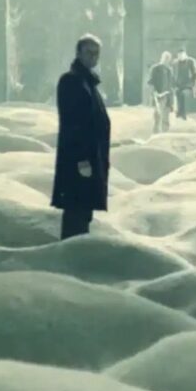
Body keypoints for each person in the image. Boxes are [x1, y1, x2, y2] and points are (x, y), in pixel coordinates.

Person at [50, 34, 111, 240]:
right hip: (80, 163)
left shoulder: (88, 82)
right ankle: (69, 256)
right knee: (76, 212)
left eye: (96, 53)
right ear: (78, 53)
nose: (93, 57)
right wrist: (82, 159)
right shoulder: (72, 81)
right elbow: (72, 124)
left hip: (90, 161)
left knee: (83, 213)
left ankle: (74, 253)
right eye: (89, 52)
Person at [147, 51, 175, 133]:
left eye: (168, 59)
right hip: (159, 95)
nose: (167, 60)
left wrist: (172, 98)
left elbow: (171, 84)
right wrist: (154, 93)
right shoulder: (155, 68)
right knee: (158, 116)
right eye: (166, 58)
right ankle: (156, 133)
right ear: (162, 58)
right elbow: (151, 82)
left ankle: (165, 134)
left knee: (166, 116)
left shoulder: (169, 70)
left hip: (168, 96)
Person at [172, 48, 196, 120]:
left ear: (185, 54)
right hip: (179, 85)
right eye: (179, 55)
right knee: (177, 93)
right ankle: (180, 112)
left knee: (183, 94)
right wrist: (173, 84)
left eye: (182, 55)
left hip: (189, 85)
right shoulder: (175, 63)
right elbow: (173, 75)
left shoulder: (191, 61)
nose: (180, 57)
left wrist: (195, 83)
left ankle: (184, 113)